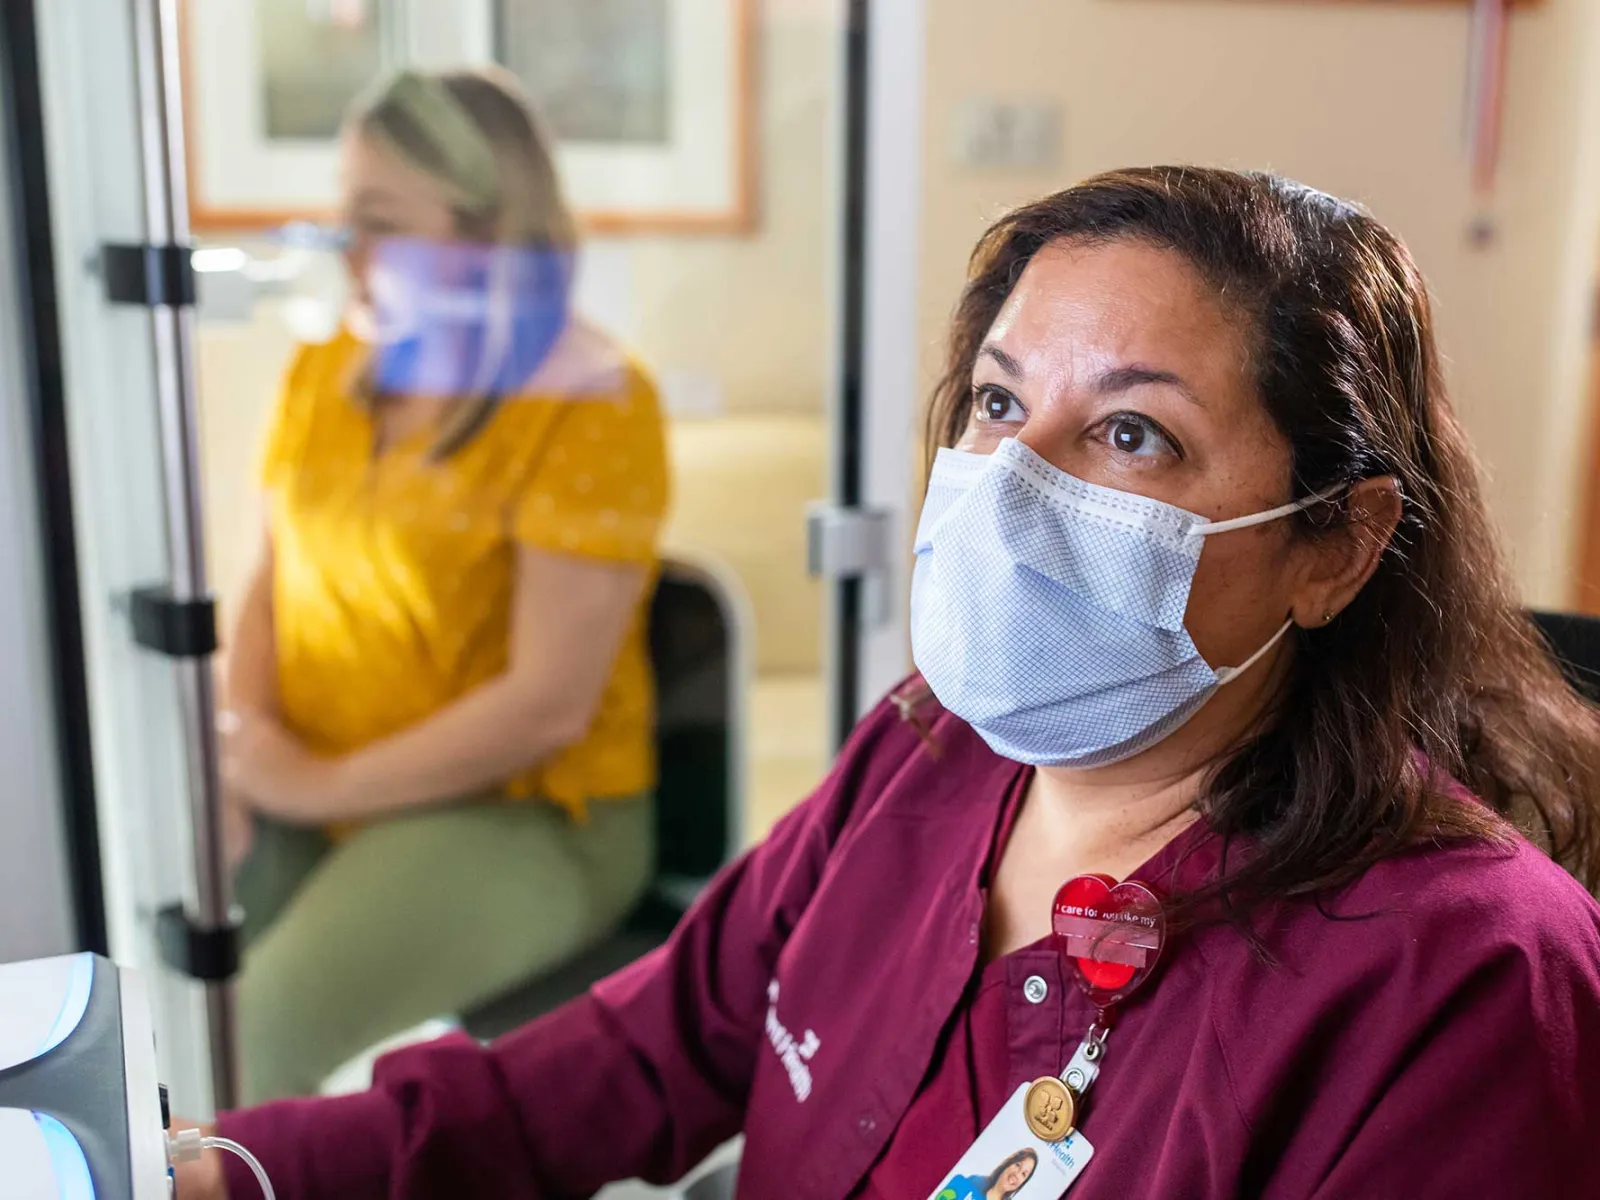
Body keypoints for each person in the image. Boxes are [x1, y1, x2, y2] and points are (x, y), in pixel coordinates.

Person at [179, 168, 1600, 1197]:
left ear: (1332, 549)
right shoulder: (925, 758)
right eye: (997, 403)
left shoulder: (1470, 983)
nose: (1012, 484)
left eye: (1130, 434)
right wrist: (232, 1170)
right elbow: (635, 1065)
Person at [218, 66, 669, 1103]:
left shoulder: (593, 404)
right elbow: (269, 583)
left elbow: (545, 706)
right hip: (313, 778)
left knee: (256, 1030)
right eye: (346, 217)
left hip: (526, 813)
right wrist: (244, 750)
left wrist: (311, 786)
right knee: (161, 981)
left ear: (486, 230)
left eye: (379, 220)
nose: (349, 250)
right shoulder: (325, 372)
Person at [938, 1149, 1038, 1200]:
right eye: (1017, 1165)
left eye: (1024, 1174)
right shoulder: (975, 1182)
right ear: (1008, 1163)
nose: (1017, 1174)